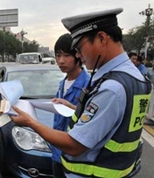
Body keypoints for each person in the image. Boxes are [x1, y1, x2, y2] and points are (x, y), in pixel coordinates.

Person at [10, 7, 152, 178]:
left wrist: (30, 122)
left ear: (101, 38)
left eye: (79, 47)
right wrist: (72, 106)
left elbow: (74, 145)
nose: (78, 54)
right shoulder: (136, 77)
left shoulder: (111, 88)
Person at [51, 33, 90, 178]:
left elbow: (93, 118)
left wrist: (73, 108)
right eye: (58, 55)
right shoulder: (62, 83)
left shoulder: (89, 84)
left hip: (76, 158)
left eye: (66, 55)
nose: (61, 61)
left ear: (78, 56)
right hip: (57, 153)